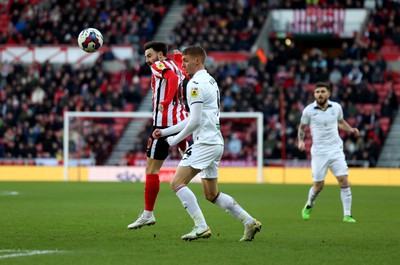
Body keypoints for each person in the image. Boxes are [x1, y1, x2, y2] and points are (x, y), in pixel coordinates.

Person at [152, 46, 262, 241]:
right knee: (211, 194)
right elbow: (195, 118)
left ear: (197, 61)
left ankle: (201, 226)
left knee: (177, 183)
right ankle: (249, 221)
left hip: (205, 143)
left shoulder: (194, 84)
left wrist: (173, 140)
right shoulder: (210, 80)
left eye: (185, 60)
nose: (183, 64)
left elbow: (194, 121)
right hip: (215, 142)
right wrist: (166, 132)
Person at [127, 41, 189, 230]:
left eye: (150, 55)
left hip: (163, 125)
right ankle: (184, 148)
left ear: (160, 55)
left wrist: (166, 100)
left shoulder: (159, 65)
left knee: (151, 170)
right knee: (187, 162)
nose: (148, 60)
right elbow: (182, 75)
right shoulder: (176, 65)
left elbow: (170, 79)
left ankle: (148, 214)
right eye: (146, 57)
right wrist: (178, 58)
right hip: (181, 121)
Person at [297, 82, 360, 223]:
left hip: (336, 149)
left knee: (343, 180)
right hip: (319, 152)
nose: (320, 94)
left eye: (322, 91)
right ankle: (309, 205)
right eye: (317, 92)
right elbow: (302, 128)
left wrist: (350, 129)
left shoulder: (336, 107)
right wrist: (301, 141)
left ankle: (347, 215)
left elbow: (341, 121)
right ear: (314, 94)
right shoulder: (308, 110)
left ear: (328, 94)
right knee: (319, 186)